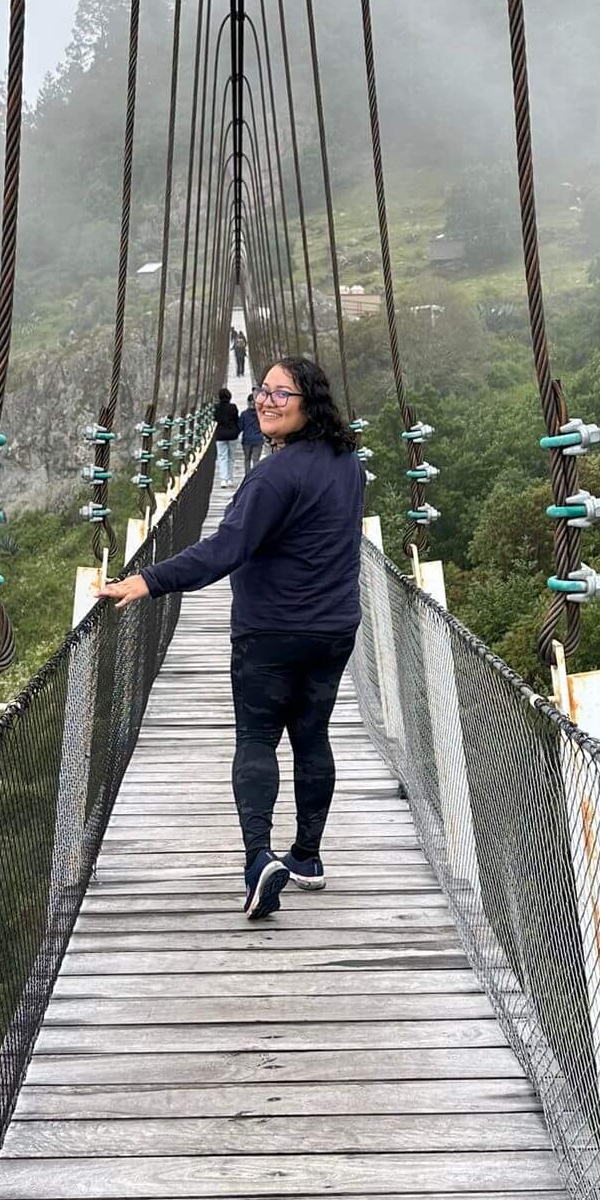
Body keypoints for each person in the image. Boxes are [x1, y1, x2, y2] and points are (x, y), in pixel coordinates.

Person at [102, 357, 364, 921]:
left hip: (269, 632)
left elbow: (224, 551)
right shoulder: (349, 465)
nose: (266, 401)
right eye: (263, 391)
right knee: (313, 736)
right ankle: (308, 858)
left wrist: (148, 579)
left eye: (281, 393)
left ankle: (258, 861)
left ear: (308, 402)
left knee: (258, 738)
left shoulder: (272, 476)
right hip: (334, 628)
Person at [214, 385, 241, 486]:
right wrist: (237, 431)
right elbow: (236, 420)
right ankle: (230, 479)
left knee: (222, 457)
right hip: (232, 435)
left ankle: (223, 480)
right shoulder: (233, 407)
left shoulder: (216, 408)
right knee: (231, 457)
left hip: (220, 435)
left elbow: (215, 419)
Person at [238, 393, 265, 473]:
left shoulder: (244, 414)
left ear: (248, 402)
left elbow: (240, 427)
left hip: (247, 439)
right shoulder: (260, 414)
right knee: (256, 459)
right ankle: (255, 476)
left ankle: (247, 475)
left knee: (247, 459)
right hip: (258, 439)